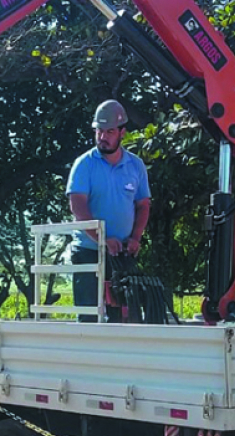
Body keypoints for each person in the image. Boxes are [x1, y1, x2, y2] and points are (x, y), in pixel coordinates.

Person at [67, 99, 151, 322]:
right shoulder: (84, 164)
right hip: (88, 251)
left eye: (110, 131)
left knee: (124, 317)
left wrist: (135, 237)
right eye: (99, 131)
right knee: (89, 318)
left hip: (121, 253)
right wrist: (102, 239)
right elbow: (78, 206)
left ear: (122, 132)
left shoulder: (135, 165)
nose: (103, 137)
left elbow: (143, 205)